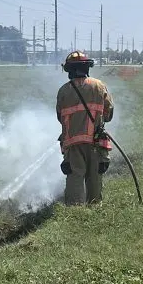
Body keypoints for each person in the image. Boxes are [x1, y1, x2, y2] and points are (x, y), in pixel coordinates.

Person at [56, 51, 114, 205]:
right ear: (87, 67)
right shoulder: (99, 86)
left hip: (73, 145)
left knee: (75, 177)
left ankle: (75, 214)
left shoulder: (63, 91)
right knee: (95, 178)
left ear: (70, 70)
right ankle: (94, 209)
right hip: (95, 142)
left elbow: (60, 117)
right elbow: (108, 114)